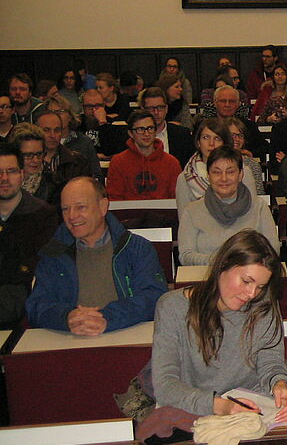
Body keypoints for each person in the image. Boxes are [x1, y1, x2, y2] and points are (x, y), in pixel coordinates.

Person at [152, 229, 287, 420]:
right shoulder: (173, 307)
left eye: (260, 287)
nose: (252, 293)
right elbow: (165, 386)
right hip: (195, 411)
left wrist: (278, 384)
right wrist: (220, 406)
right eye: (246, 281)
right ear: (223, 265)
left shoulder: (263, 305)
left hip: (254, 407)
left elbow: (270, 360)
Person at [26, 177, 168, 334]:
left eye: (80, 207)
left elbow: (154, 296)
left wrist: (107, 318)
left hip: (125, 334)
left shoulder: (136, 249)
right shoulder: (54, 254)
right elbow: (37, 306)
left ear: (103, 207)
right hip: (69, 339)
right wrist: (67, 317)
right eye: (65, 209)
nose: (72, 216)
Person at [178, 147, 278, 266]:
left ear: (240, 175)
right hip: (206, 274)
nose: (224, 178)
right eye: (216, 172)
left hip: (250, 274)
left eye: (230, 172)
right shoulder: (192, 211)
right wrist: (219, 261)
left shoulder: (259, 207)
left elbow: (272, 251)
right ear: (208, 175)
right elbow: (185, 255)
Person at [0, 142, 59, 329]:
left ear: (22, 174)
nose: (4, 178)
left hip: (23, 303)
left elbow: (36, 272)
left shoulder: (43, 215)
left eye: (11, 171)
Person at [176, 118, 255, 212]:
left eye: (217, 138)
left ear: (225, 143)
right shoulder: (185, 177)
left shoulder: (243, 172)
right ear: (198, 142)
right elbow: (184, 216)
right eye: (206, 137)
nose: (211, 143)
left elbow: (252, 210)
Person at [106, 111, 181, 201]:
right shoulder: (118, 162)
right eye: (140, 129)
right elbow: (114, 198)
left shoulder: (171, 163)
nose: (146, 134)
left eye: (150, 128)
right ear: (130, 133)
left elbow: (177, 198)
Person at [44, 94, 101, 179]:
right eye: (52, 112)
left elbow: (96, 175)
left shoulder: (84, 142)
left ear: (70, 116)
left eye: (60, 111)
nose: (56, 116)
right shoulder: (40, 143)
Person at [139, 86, 196, 167]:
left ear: (166, 109)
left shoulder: (182, 135)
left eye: (160, 107)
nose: (156, 112)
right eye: (151, 108)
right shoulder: (135, 136)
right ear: (143, 110)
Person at [35, 110, 90, 186]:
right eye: (46, 130)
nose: (52, 135)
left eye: (57, 130)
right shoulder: (27, 161)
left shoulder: (78, 162)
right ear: (36, 131)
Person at [11, 124, 60, 204]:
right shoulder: (5, 182)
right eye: (28, 155)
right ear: (16, 155)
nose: (35, 160)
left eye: (39, 154)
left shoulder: (54, 184)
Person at [79, 89, 128, 158]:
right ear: (83, 107)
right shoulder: (77, 125)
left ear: (104, 105)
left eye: (98, 105)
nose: (94, 110)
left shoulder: (115, 124)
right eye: (89, 106)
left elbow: (111, 151)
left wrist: (103, 123)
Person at [228, 117, 265, 194]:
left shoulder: (252, 165)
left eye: (240, 135)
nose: (237, 139)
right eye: (233, 135)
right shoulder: (215, 162)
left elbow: (259, 194)